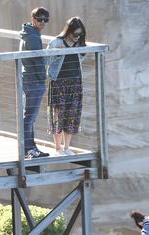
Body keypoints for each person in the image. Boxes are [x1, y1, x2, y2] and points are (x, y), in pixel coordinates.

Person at [47, 17, 86, 156]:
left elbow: (81, 58)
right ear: (68, 31)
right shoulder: (56, 42)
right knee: (58, 114)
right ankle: (58, 148)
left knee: (72, 114)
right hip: (59, 83)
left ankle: (67, 147)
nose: (77, 37)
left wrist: (81, 45)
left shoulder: (80, 43)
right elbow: (46, 60)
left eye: (80, 35)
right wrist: (56, 52)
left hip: (75, 83)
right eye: (75, 34)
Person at [19, 7, 50, 160]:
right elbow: (38, 60)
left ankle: (30, 147)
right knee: (30, 117)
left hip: (28, 77)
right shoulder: (32, 37)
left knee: (29, 116)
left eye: (45, 19)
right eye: (40, 19)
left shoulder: (29, 33)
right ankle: (28, 149)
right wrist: (43, 78)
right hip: (34, 80)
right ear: (33, 19)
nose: (42, 22)